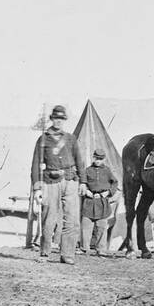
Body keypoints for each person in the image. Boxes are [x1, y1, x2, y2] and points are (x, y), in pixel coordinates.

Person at [31, 104, 80, 264]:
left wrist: (84, 182)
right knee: (49, 218)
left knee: (71, 219)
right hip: (50, 181)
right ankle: (44, 253)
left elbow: (80, 160)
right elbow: (35, 163)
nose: (58, 122)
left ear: (64, 120)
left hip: (70, 179)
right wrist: (37, 187)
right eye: (56, 118)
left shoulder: (71, 139)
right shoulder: (43, 139)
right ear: (51, 119)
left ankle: (67, 254)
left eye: (61, 119)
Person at [78, 148, 119, 256]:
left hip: (102, 201)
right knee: (86, 226)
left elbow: (115, 183)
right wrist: (86, 191)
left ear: (103, 159)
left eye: (100, 159)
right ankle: (84, 248)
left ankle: (101, 249)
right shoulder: (87, 170)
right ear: (93, 157)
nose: (98, 161)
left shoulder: (107, 171)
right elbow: (81, 182)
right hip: (89, 200)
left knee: (101, 227)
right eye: (96, 158)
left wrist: (108, 192)